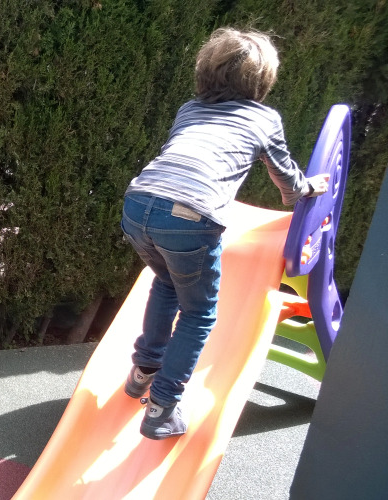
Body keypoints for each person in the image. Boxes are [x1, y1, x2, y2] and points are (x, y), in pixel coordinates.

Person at [120, 28, 330, 440]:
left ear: (205, 71)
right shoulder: (264, 118)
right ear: (262, 81)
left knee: (167, 281)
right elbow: (287, 183)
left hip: (138, 203)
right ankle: (162, 409)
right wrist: (307, 188)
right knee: (198, 313)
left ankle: (142, 372)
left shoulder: (189, 109)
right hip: (189, 216)